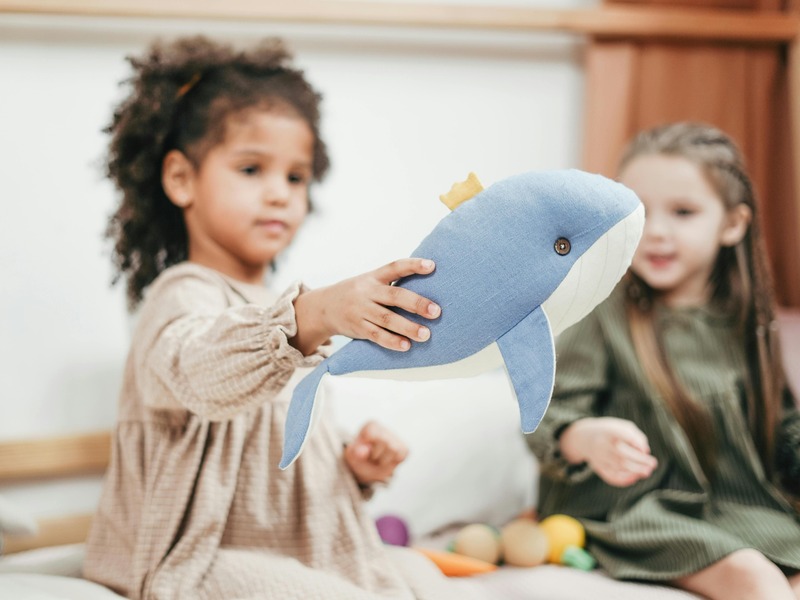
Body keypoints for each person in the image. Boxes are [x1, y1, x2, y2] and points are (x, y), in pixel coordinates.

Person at [83, 35, 454, 600]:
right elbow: (200, 373)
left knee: (423, 577)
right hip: (197, 559)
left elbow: (273, 454)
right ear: (182, 179)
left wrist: (351, 463)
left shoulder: (279, 313)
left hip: (297, 551)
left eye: (296, 177)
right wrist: (318, 311)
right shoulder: (183, 296)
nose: (279, 194)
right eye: (252, 169)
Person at [526, 122, 800, 600]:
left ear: (733, 224)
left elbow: (782, 431)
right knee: (754, 579)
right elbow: (548, 413)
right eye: (639, 211)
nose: (655, 232)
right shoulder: (601, 311)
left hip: (734, 506)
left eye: (684, 212)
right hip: (630, 509)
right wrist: (585, 437)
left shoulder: (745, 323)